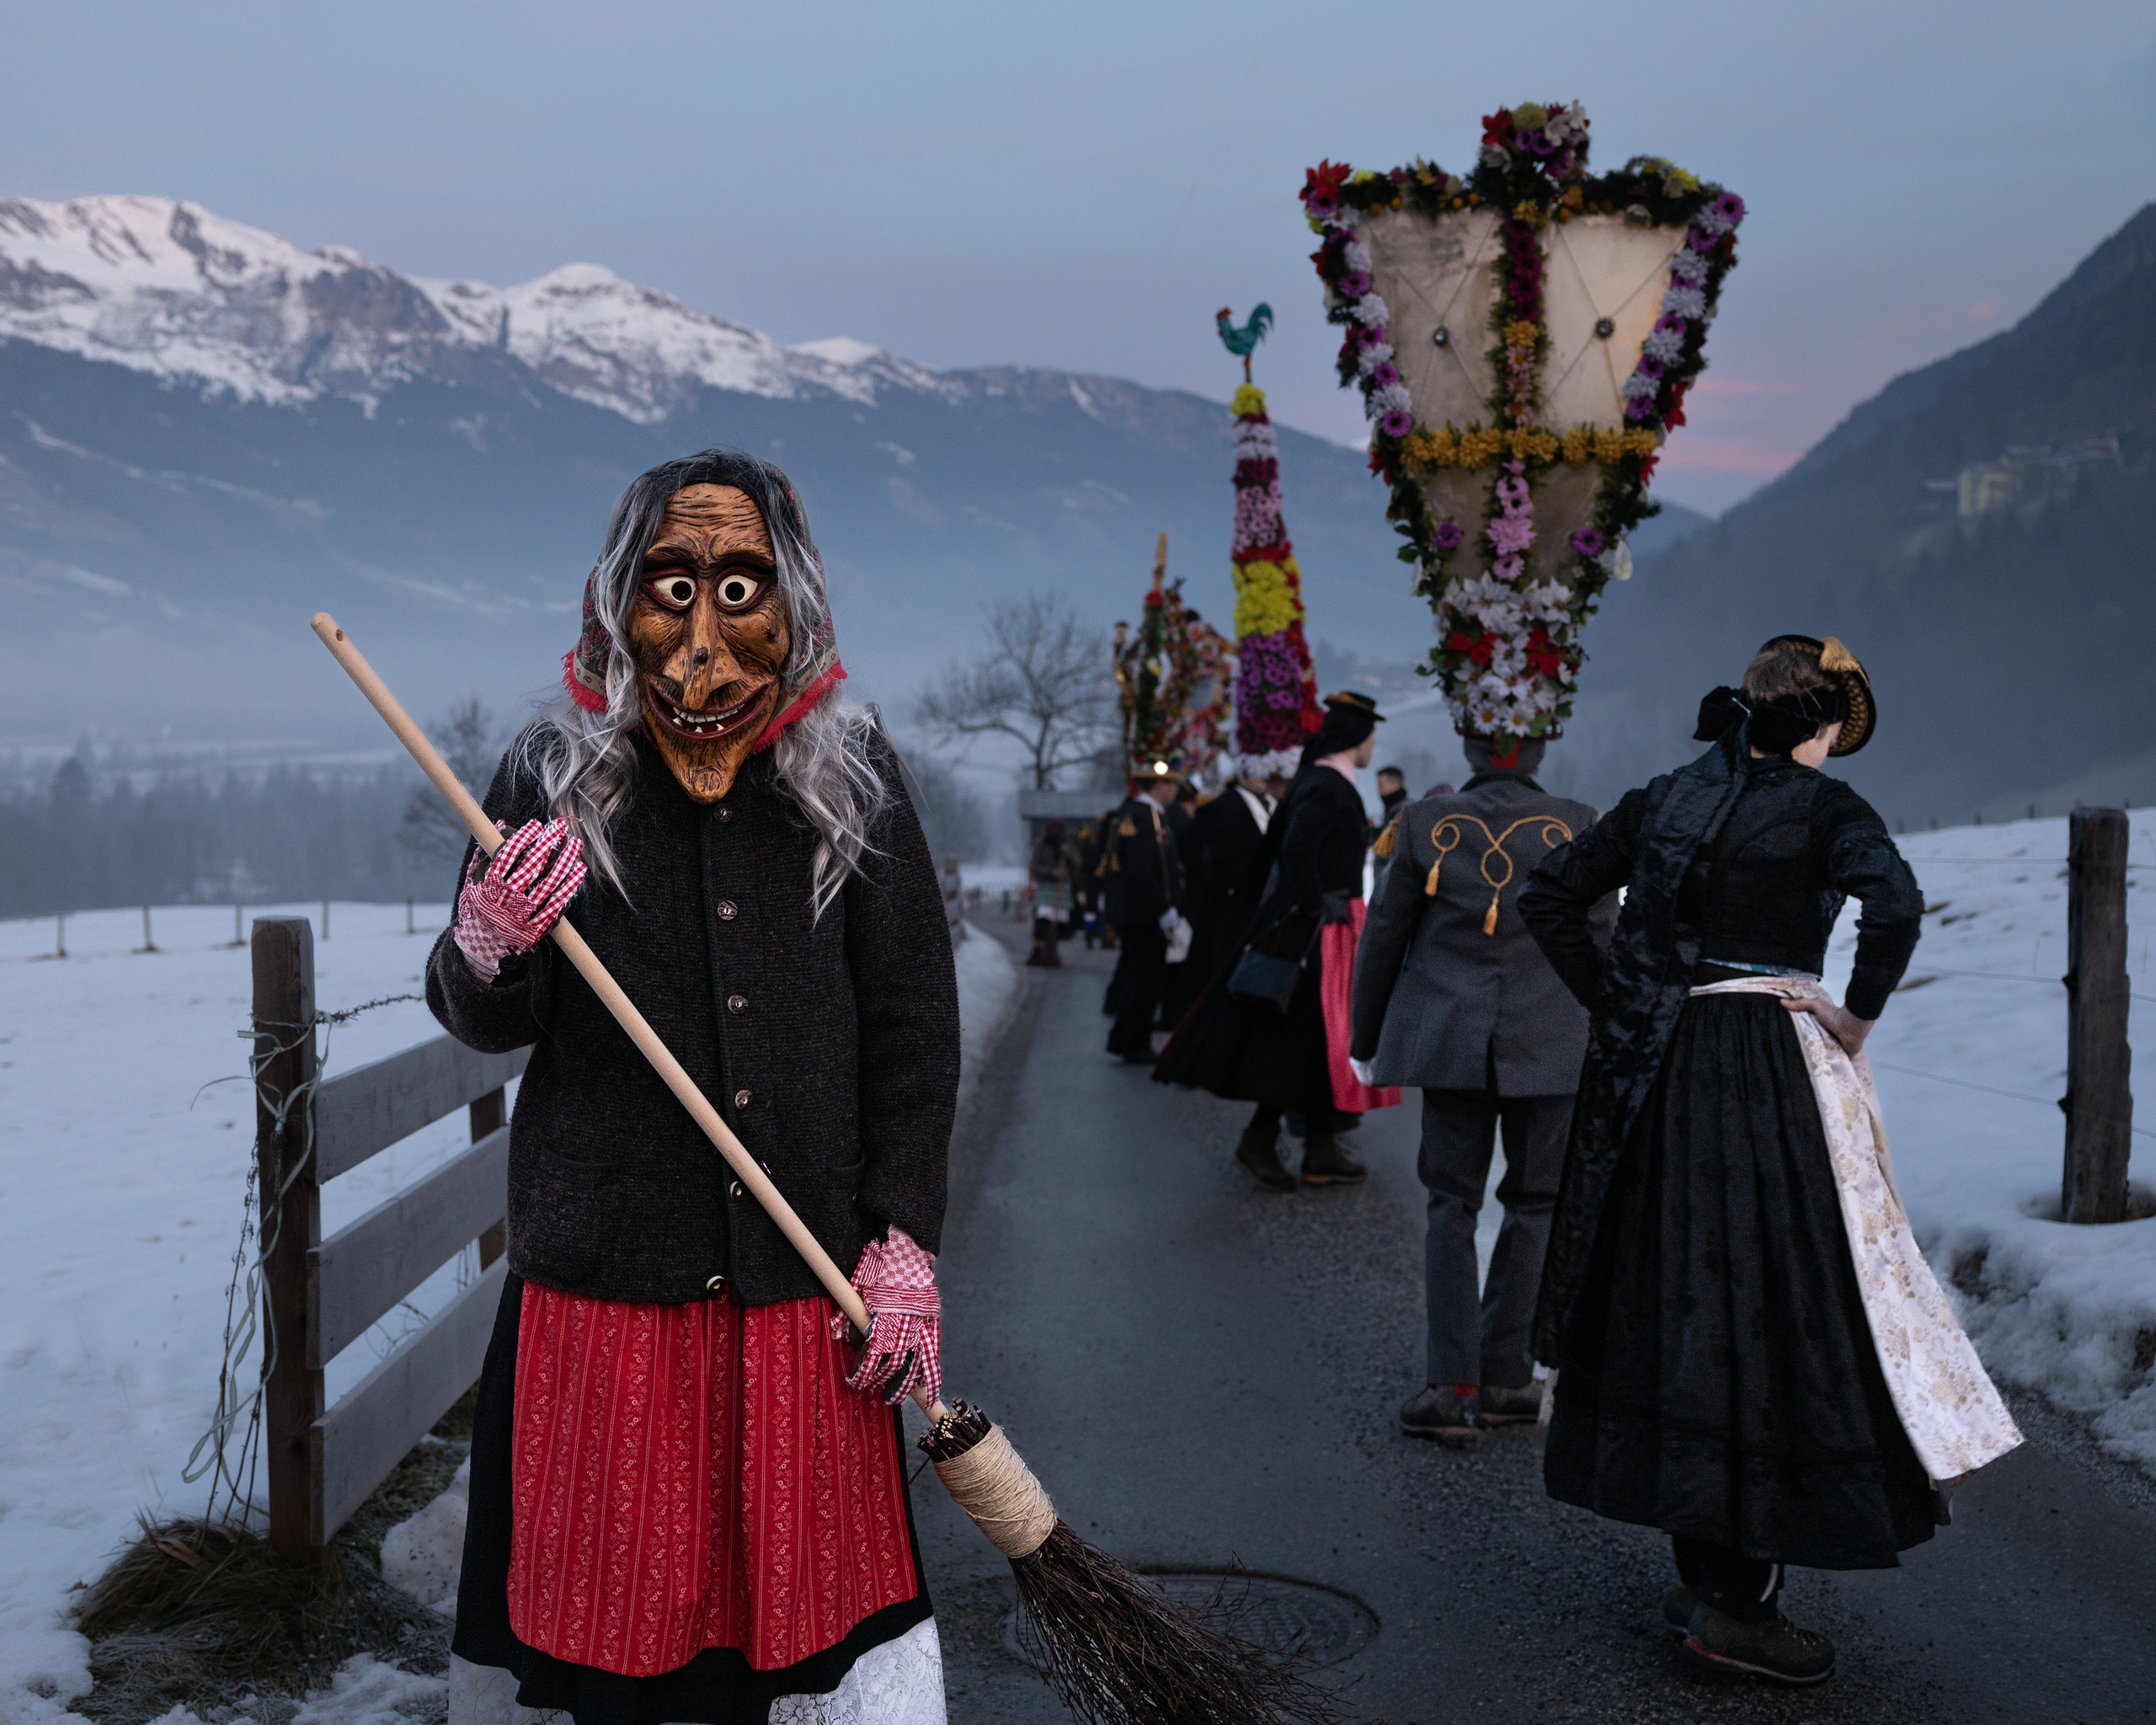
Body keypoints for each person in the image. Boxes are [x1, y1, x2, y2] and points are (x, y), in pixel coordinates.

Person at [427, 451, 958, 1725]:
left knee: (786, 1655)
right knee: (614, 1653)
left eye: (741, 585)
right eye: (672, 586)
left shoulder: (856, 782)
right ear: (618, 598)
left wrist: (902, 1237)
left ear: (799, 600)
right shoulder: (548, 775)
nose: (703, 642)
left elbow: (913, 1027)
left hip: (799, 1292)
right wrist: (490, 940)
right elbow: (482, 1015)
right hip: (610, 1296)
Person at [1518, 634, 2020, 1687]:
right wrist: (1855, 1014)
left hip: (1657, 1072)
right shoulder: (1828, 812)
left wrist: (1621, 1002)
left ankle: (1709, 1567)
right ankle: (1739, 1604)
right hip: (1767, 1076)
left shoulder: (1666, 794)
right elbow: (1894, 903)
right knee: (1774, 1300)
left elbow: (1549, 895)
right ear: (1827, 724)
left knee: (1678, 1293)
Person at [1349, 733, 1610, 1448]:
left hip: (1452, 1038)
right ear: (1539, 746)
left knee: (1451, 1204)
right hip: (1552, 1041)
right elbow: (1603, 938)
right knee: (1535, 1204)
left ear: (1468, 744)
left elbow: (1385, 934)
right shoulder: (1580, 822)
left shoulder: (1427, 824)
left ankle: (1451, 1387)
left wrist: (1363, 1037)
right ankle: (1504, 1377)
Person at [1156, 692, 1401, 1187]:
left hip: (1320, 928)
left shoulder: (1321, 780)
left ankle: (1314, 1147)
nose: (1374, 745)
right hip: (1317, 934)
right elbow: (1297, 847)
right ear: (1355, 738)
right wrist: (1318, 903)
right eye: (1370, 735)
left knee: (1315, 1040)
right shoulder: (1327, 785)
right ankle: (1270, 1140)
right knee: (1308, 1036)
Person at [1102, 762, 1187, 1061]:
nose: (1176, 790)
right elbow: (1141, 870)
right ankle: (1134, 1043)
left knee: (1141, 978)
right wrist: (1162, 908)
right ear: (1159, 785)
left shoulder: (1148, 814)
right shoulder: (1140, 816)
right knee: (1146, 981)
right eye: (1173, 784)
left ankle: (1123, 1038)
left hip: (1143, 913)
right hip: (1141, 915)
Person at [1182, 763, 1282, 1002]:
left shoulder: (1269, 804)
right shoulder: (1220, 808)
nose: (1262, 776)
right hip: (1225, 908)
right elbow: (1192, 852)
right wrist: (1218, 887)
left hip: (1255, 907)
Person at [1027, 819, 1079, 968]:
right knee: (1043, 920)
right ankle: (1039, 952)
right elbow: (1035, 866)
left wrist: (1068, 855)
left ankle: (1052, 951)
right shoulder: (1042, 845)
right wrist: (1052, 872)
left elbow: (1078, 864)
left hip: (1062, 889)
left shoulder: (1068, 845)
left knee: (1057, 924)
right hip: (1046, 888)